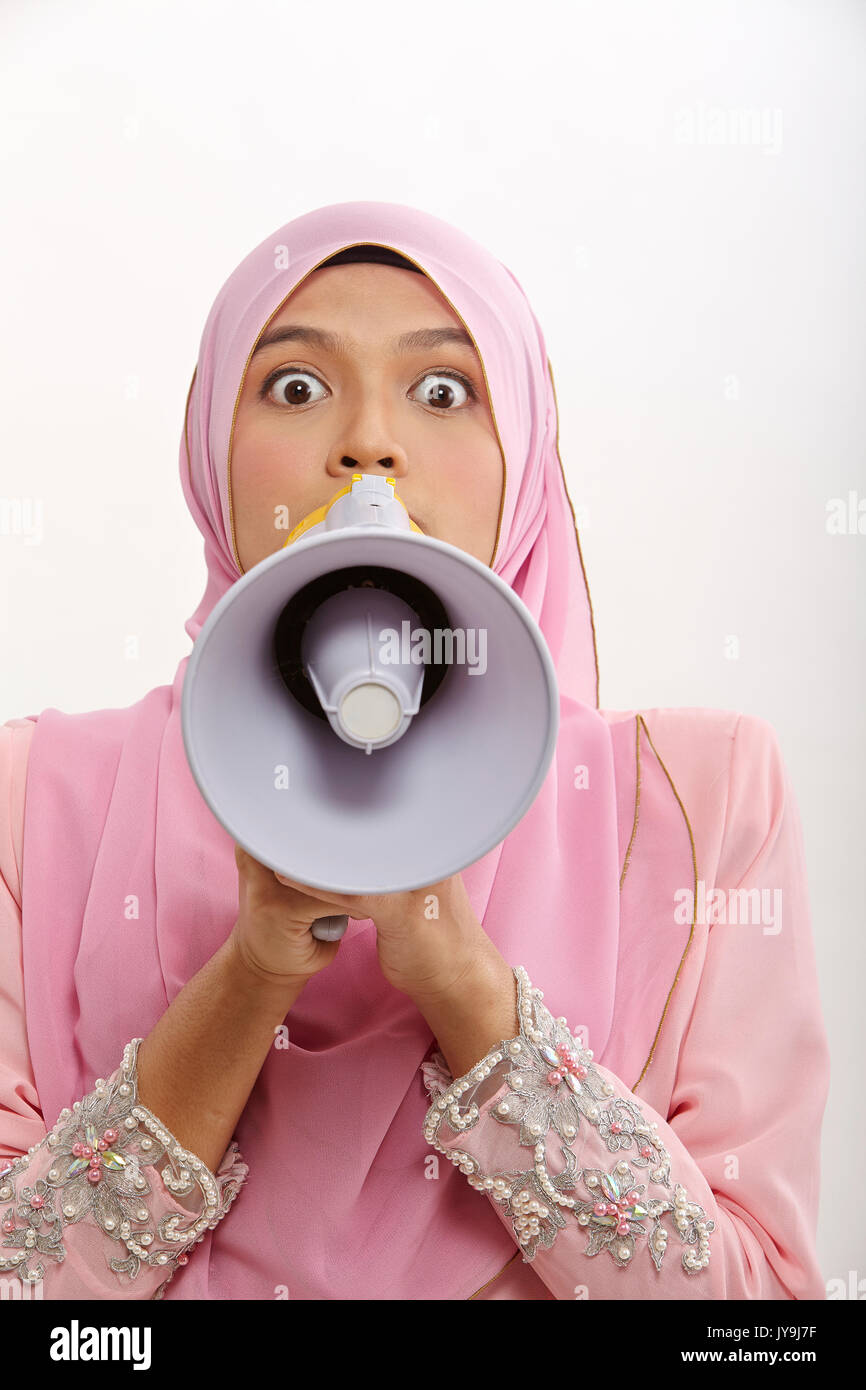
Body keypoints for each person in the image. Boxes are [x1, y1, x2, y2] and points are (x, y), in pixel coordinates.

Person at [0, 202, 830, 1301]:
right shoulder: (37, 795)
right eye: (295, 385)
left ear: (522, 461)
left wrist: (453, 969)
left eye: (443, 390)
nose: (369, 445)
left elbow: (758, 1318)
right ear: (209, 456)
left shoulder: (697, 797)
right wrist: (254, 969)